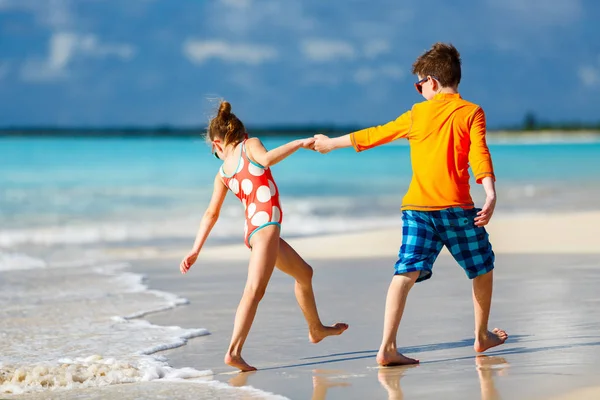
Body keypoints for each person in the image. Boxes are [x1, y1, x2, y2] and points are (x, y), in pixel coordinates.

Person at [312, 43, 507, 366]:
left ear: (431, 81)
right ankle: (481, 335)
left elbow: (378, 134)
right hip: (456, 210)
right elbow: (479, 154)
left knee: (405, 272)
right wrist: (490, 192)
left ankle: (387, 346)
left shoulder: (417, 114)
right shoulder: (472, 112)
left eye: (419, 85)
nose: (419, 92)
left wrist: (331, 143)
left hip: (416, 210)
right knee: (482, 268)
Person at [180, 101, 348, 372]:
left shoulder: (223, 172)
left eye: (214, 152)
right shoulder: (251, 145)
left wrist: (195, 249)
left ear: (219, 143)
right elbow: (268, 159)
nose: (217, 155)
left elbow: (211, 214)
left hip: (256, 230)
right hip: (266, 227)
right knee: (254, 291)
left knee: (304, 273)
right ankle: (233, 352)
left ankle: (316, 329)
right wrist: (299, 143)